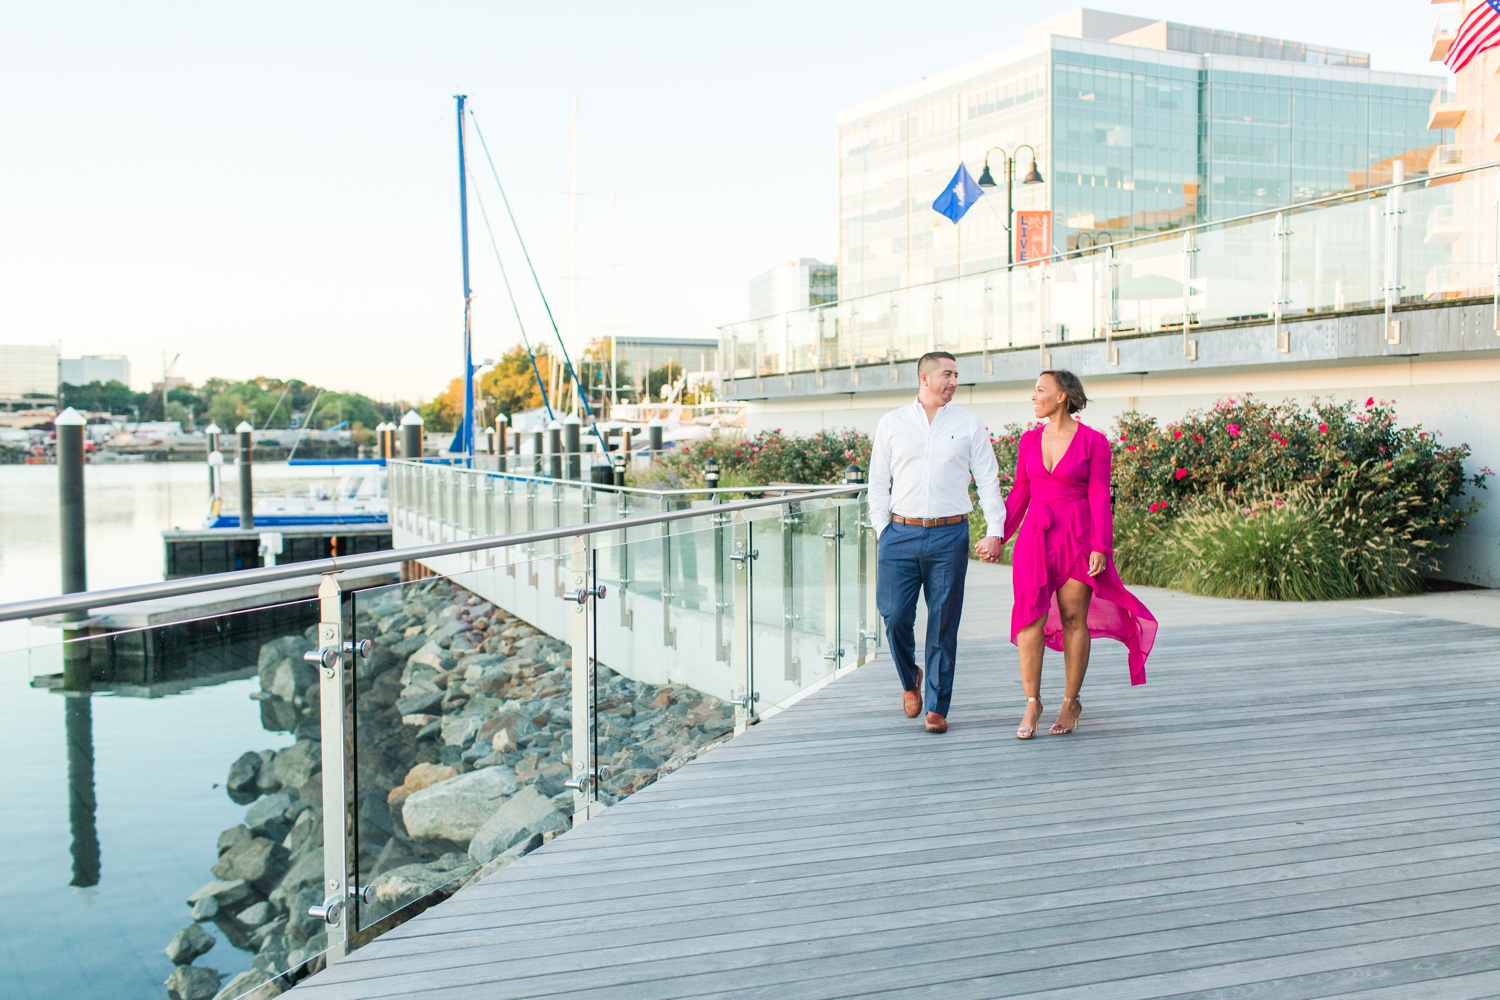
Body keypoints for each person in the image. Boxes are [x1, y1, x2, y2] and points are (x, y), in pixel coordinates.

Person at [991, 370, 1157, 739]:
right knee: (1029, 620)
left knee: (1072, 618)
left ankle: (1070, 700)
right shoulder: (1028, 441)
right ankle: (1032, 702)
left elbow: (1099, 496)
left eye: (1040, 391)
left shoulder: (1094, 442)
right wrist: (997, 536)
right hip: (1036, 538)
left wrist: (1102, 546)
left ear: (1062, 396)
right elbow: (1020, 494)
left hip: (1077, 536)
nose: (1034, 397)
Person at [869, 351, 1005, 734]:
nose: (954, 381)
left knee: (944, 623)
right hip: (899, 534)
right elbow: (878, 481)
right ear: (924, 378)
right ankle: (910, 676)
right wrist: (883, 530)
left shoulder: (968, 424)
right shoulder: (892, 423)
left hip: (949, 535)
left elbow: (988, 480)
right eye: (947, 374)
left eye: (957, 375)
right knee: (895, 617)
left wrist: (995, 529)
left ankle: (936, 704)